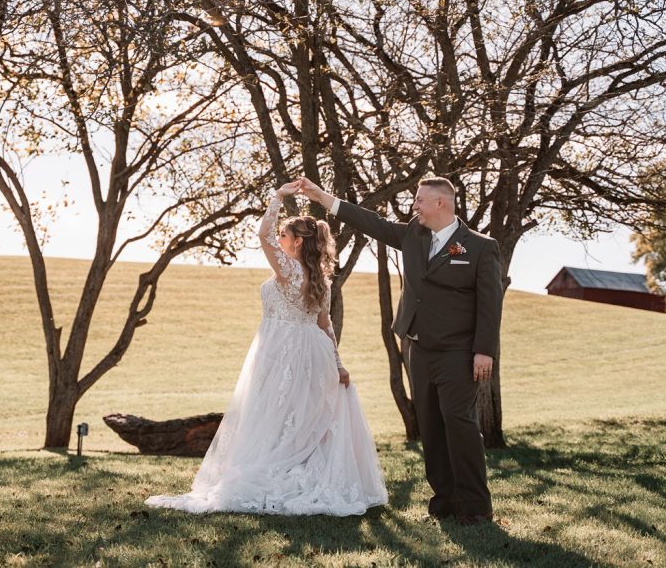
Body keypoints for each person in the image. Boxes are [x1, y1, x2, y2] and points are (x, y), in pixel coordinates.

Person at [146, 180, 387, 516]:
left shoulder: (289, 269)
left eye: (285, 237)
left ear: (298, 242)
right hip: (309, 351)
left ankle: (281, 471)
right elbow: (325, 325)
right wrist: (338, 363)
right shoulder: (319, 277)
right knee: (295, 415)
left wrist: (278, 196)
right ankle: (293, 466)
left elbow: (262, 236)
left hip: (284, 350)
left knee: (276, 412)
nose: (279, 241)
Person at [298, 176, 503, 525]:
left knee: (460, 423)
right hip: (418, 349)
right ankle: (444, 502)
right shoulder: (412, 235)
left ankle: (475, 506)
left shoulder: (481, 247)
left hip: (459, 351)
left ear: (442, 203)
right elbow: (372, 223)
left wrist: (484, 350)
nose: (415, 206)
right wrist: (325, 199)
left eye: (421, 200)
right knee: (431, 427)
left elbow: (490, 303)